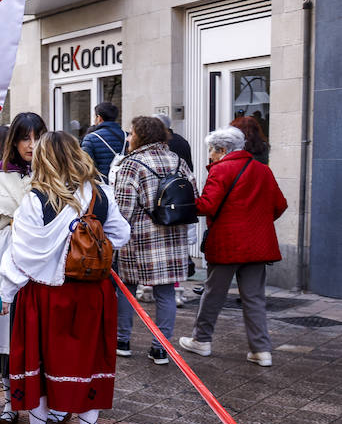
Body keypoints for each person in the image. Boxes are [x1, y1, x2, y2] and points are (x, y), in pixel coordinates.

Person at [1, 132, 130, 424]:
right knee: (88, 362)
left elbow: (20, 256)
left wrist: (6, 293)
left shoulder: (35, 200)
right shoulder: (101, 194)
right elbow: (121, 234)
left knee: (41, 361)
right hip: (92, 293)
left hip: (47, 295)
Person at [180, 126, 287, 367]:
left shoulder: (221, 170)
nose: (209, 156)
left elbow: (207, 205)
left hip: (227, 243)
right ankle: (261, 350)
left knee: (213, 294)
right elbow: (280, 205)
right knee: (255, 297)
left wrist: (183, 202)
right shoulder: (262, 170)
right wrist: (257, 223)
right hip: (258, 244)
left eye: (211, 151)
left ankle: (201, 340)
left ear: (223, 149)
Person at [0, 114, 46, 424]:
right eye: (25, 138)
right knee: (7, 330)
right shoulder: (1, 176)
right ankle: (9, 404)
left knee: (41, 333)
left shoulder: (55, 174)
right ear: (14, 142)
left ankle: (47, 408)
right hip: (7, 256)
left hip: (45, 259)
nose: (31, 145)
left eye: (37, 137)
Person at [114, 116, 196, 363]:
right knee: (166, 293)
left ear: (140, 135)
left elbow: (123, 209)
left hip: (139, 238)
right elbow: (192, 196)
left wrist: (113, 237)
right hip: (172, 236)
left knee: (126, 289)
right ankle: (161, 348)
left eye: (131, 133)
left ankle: (123, 340)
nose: (128, 138)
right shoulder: (177, 161)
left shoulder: (132, 164)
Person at [80, 101, 125, 182]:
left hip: (101, 187)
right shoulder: (127, 136)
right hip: (123, 185)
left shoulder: (90, 138)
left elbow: (86, 166)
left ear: (99, 118)